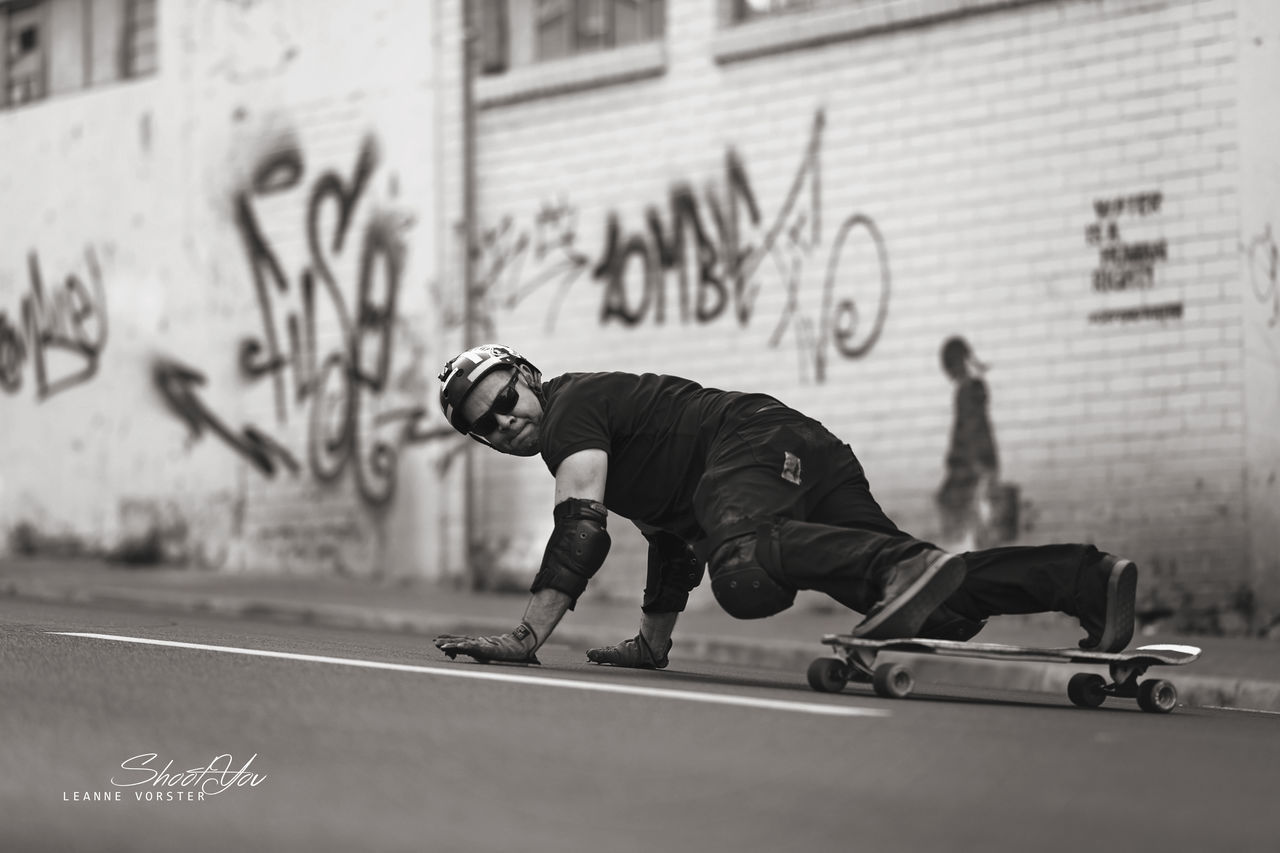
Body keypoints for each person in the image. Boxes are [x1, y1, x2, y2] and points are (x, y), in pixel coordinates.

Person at [432, 344, 1137, 669]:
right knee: (938, 607)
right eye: (482, 426)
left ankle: (901, 566)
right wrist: (654, 643)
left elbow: (579, 533)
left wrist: (527, 637)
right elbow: (671, 538)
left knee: (742, 570)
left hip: (753, 444)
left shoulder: (568, 414)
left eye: (502, 400)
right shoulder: (611, 439)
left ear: (526, 376)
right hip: (802, 451)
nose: (503, 423)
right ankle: (1083, 579)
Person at [935, 336, 1001, 551]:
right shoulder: (973, 388)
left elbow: (971, 431)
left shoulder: (967, 390)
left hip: (970, 472)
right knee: (977, 530)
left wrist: (977, 472)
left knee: (965, 531)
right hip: (977, 468)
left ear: (954, 363)